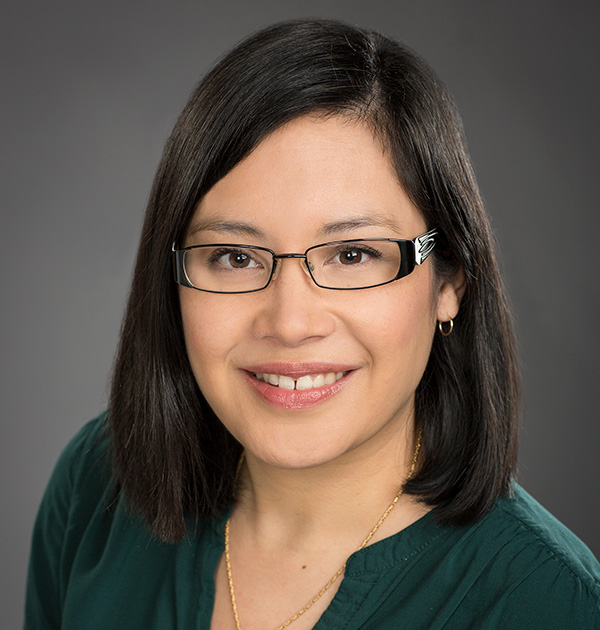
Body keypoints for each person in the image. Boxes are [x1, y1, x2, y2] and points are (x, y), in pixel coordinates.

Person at [25, 18, 600, 630]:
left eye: (353, 255)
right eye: (235, 257)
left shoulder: (547, 602)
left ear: (449, 283)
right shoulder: (97, 485)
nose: (290, 322)